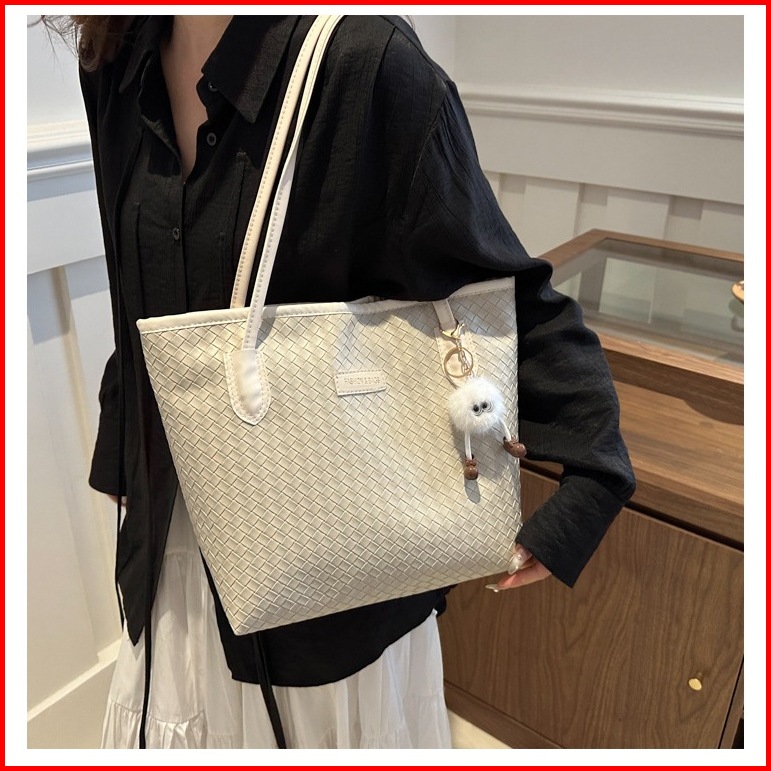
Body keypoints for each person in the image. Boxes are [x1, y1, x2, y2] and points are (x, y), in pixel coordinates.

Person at [57, 14, 635, 749]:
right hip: (170, 541)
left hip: (327, 566)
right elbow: (132, 287)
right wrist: (122, 446)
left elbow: (491, 293)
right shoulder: (114, 55)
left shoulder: (366, 63)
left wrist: (590, 479)